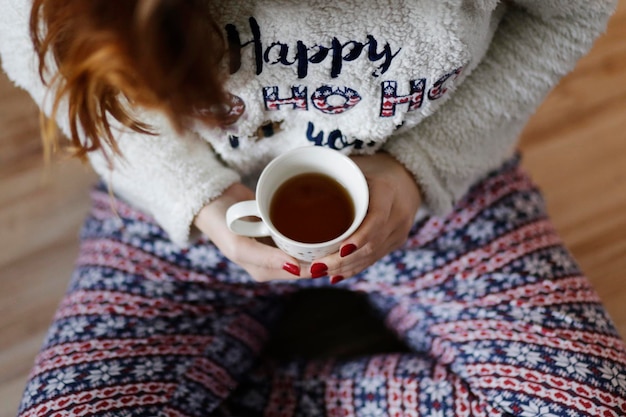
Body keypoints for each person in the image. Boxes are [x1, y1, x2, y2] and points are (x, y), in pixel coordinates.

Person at [1, 0, 625, 415]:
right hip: (181, 192)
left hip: (441, 190)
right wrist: (193, 197)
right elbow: (41, 52)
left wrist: (422, 165)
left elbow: (566, 13)